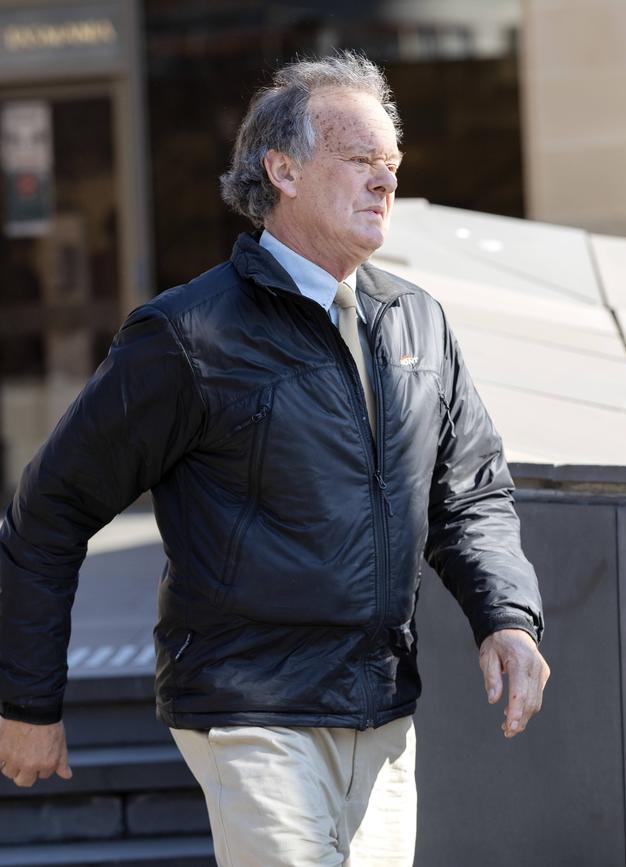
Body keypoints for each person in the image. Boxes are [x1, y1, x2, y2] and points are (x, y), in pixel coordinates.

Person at [0, 53, 550, 865]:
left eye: (392, 164)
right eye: (361, 160)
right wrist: (27, 701)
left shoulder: (419, 324)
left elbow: (469, 495)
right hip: (252, 708)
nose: (384, 182)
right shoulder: (187, 336)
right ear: (282, 169)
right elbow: (47, 513)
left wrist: (506, 615)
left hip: (383, 711)